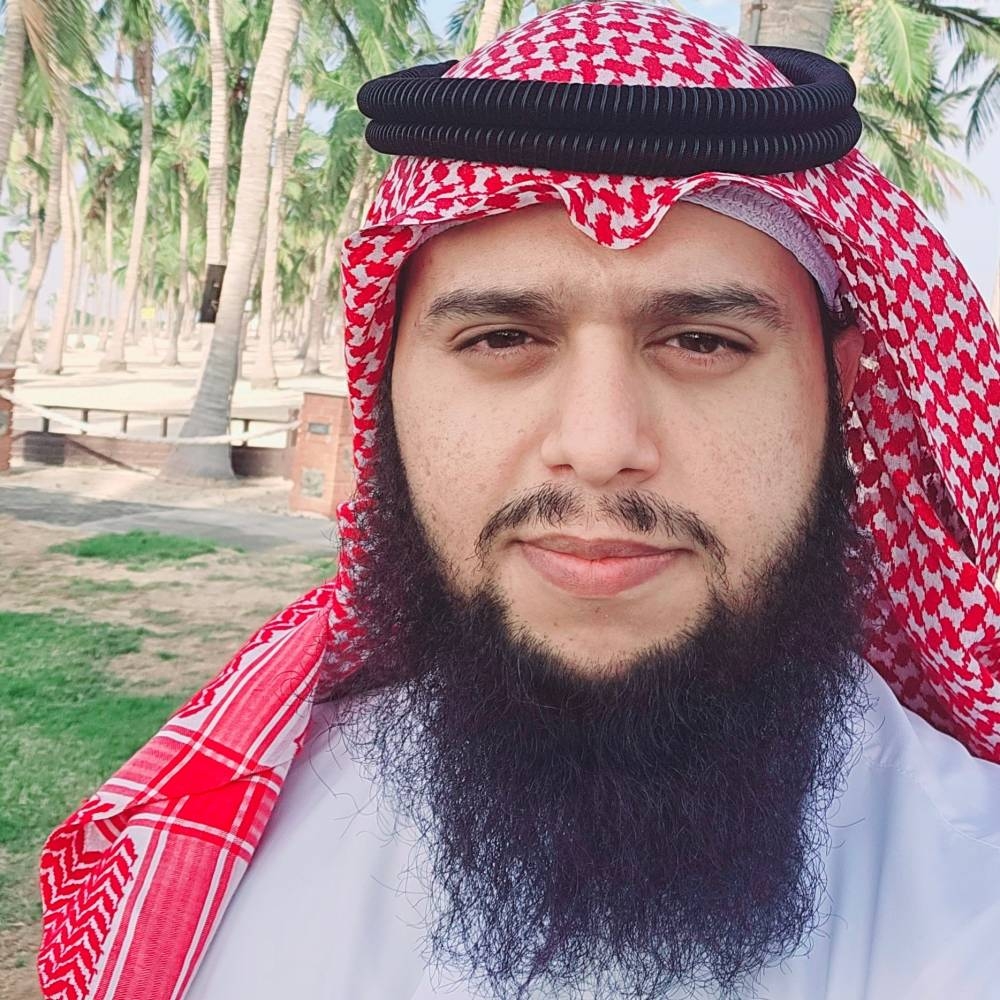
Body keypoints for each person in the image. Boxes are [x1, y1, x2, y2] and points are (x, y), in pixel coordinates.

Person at [38, 3, 1000, 999]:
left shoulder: (971, 889)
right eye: (501, 338)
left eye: (703, 341)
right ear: (388, 383)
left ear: (839, 388)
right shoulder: (217, 870)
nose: (598, 446)